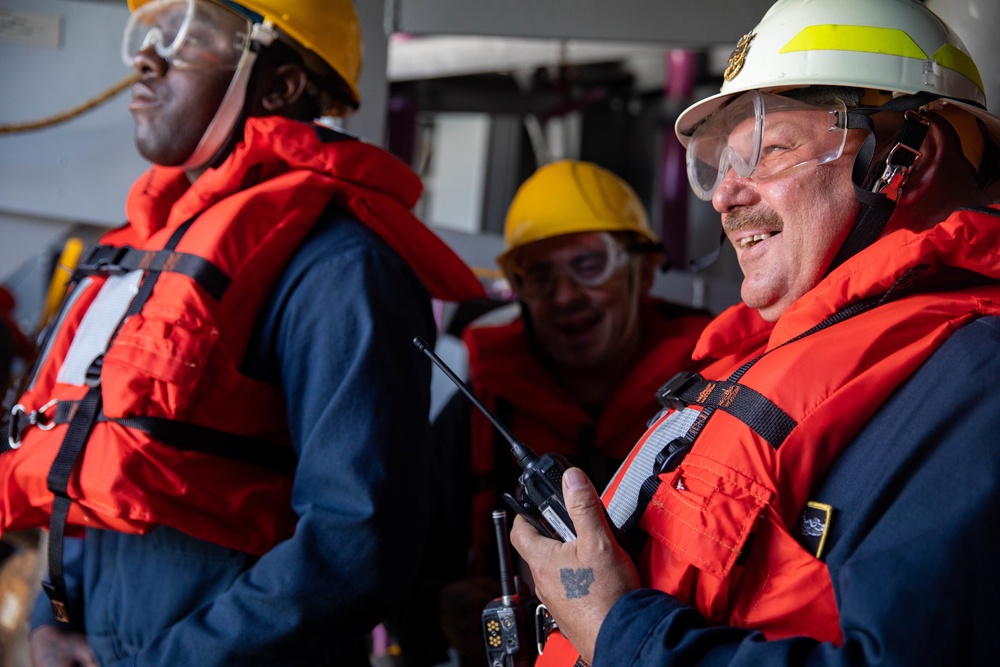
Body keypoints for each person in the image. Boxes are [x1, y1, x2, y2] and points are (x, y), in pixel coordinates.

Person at [510, 0, 1000, 665]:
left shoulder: (978, 382)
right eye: (722, 163)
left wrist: (616, 630)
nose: (724, 196)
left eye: (772, 150)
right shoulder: (800, 353)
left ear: (908, 160)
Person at [0, 1, 484, 665]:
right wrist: (48, 619)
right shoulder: (160, 249)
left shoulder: (342, 268)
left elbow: (356, 539)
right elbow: (94, 460)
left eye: (185, 35)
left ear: (281, 85)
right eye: (147, 33)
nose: (146, 56)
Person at [405, 160, 711, 667]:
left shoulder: (710, 400)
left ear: (643, 267)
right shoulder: (479, 415)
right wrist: (443, 606)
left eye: (588, 265)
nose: (565, 296)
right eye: (539, 276)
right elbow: (406, 571)